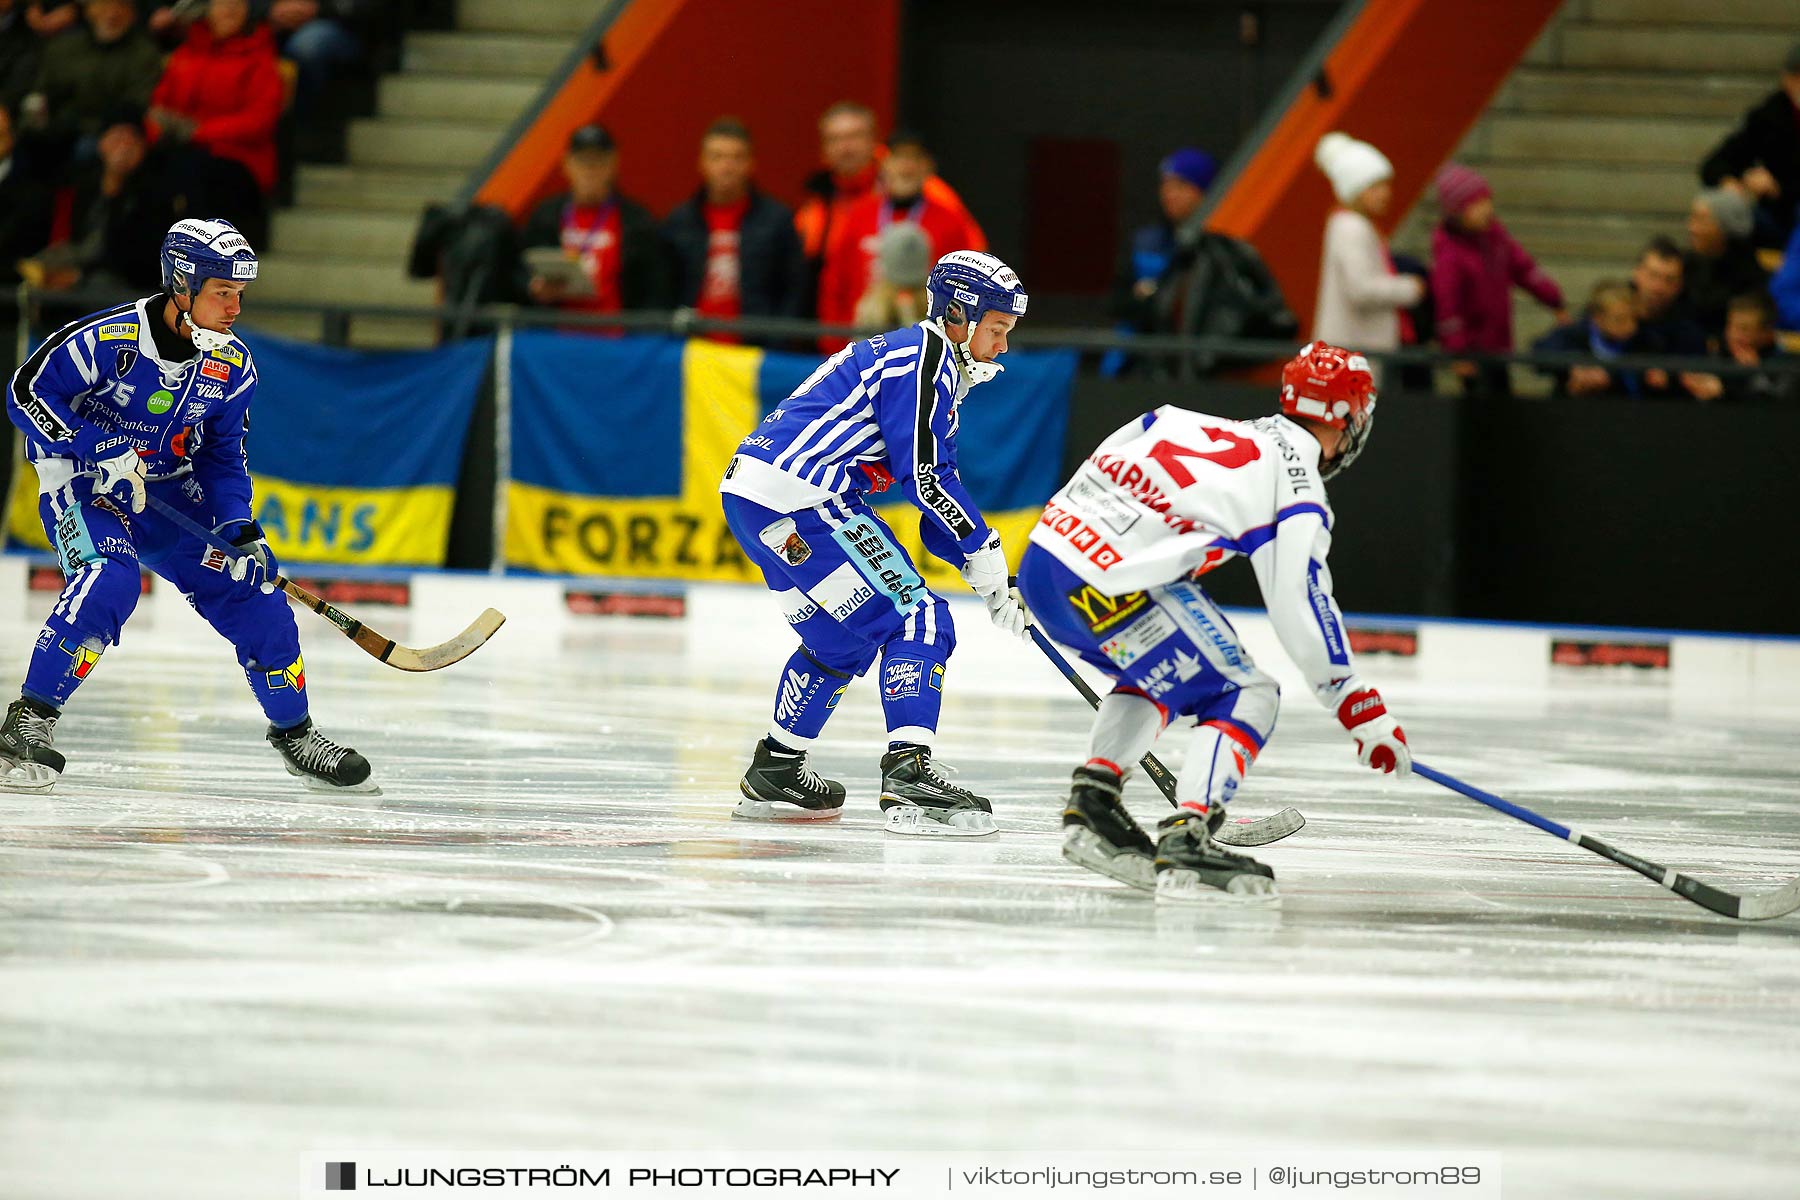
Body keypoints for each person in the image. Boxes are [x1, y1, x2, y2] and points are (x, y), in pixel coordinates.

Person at [1014, 342, 1409, 901]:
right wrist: (1352, 698)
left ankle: (1095, 802)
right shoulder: (1296, 483)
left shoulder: (1186, 420)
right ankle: (1189, 831)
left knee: (1159, 679)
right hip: (1116, 582)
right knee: (1246, 693)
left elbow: (1116, 446)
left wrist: (1067, 535)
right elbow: (1298, 596)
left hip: (1046, 560)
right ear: (1347, 418)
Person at [0, 218, 373, 795]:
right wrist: (94, 449)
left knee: (258, 595)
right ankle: (27, 722)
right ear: (182, 285)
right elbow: (26, 392)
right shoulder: (107, 339)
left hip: (174, 496)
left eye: (239, 294)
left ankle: (295, 735)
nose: (234, 308)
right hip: (86, 486)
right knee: (110, 580)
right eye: (222, 292)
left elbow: (224, 454)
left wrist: (239, 526)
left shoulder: (232, 364)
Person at [718, 250, 1031, 838]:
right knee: (918, 620)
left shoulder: (917, 358)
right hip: (804, 499)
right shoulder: (926, 361)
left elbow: (934, 489)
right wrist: (988, 554)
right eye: (997, 329)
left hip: (757, 498)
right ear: (960, 317)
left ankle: (777, 768)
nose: (1003, 346)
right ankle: (908, 775)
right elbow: (927, 478)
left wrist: (980, 567)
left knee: (838, 637)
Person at [1106, 146, 1295, 378]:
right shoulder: (1148, 242)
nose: (1169, 193)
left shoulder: (1228, 252)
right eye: (1166, 184)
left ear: (1205, 192)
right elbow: (1118, 302)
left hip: (1208, 379)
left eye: (1181, 185)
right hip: (1145, 370)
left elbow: (1267, 315)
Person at [793, 101, 980, 310]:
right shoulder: (817, 203)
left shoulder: (931, 192)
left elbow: (972, 263)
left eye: (854, 137)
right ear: (823, 148)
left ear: (875, 143)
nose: (845, 148)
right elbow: (828, 281)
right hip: (857, 331)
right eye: (835, 139)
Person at [814, 132, 986, 350]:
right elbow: (834, 285)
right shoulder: (859, 216)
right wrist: (834, 349)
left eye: (914, 158)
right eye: (898, 158)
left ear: (928, 167)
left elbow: (966, 292)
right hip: (859, 348)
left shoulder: (951, 222)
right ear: (883, 165)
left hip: (924, 351)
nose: (906, 168)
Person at [662, 117, 806, 344]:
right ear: (702, 163)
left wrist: (777, 341)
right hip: (693, 348)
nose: (726, 167)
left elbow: (794, 289)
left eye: (736, 158)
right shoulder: (680, 221)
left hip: (754, 350)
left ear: (751, 163)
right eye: (717, 157)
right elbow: (665, 289)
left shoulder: (777, 220)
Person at [1429, 163, 1564, 398]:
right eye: (1476, 205)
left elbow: (1524, 268)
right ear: (1458, 212)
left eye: (1486, 201)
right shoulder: (1450, 255)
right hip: (1474, 352)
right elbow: (1448, 307)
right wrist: (1457, 353)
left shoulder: (1495, 237)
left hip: (1499, 345)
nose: (1486, 209)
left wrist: (1554, 300)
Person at [518, 123, 670, 318]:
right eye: (582, 161)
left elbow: (655, 286)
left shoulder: (637, 221)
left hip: (615, 337)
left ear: (613, 164)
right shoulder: (546, 216)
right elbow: (519, 270)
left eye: (598, 161)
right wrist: (533, 287)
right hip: (557, 337)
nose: (590, 170)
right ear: (567, 164)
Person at [1311, 132, 1422, 374]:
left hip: (1352, 350)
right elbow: (1361, 289)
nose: (1386, 193)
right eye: (1375, 186)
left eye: (1385, 185)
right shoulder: (1352, 227)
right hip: (1353, 353)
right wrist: (1410, 288)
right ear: (1354, 189)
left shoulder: (1351, 224)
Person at [148, 0, 284, 195]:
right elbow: (159, 105)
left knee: (187, 170)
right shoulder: (186, 53)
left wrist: (198, 133)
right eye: (222, 3)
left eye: (238, 4)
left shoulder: (260, 59)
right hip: (180, 148)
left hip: (238, 157)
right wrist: (156, 131)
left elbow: (259, 121)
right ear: (207, 9)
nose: (230, 9)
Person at [18, 0, 162, 158]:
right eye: (104, 5)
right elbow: (41, 90)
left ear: (133, 15)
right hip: (57, 126)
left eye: (122, 7)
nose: (112, 14)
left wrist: (81, 126)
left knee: (85, 148)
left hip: (102, 132)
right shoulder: (63, 45)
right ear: (88, 11)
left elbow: (135, 105)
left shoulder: (144, 54)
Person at [1699, 42, 1800, 248]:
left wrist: (1778, 187)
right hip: (1777, 217)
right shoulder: (1772, 114)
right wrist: (1729, 182)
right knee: (1715, 212)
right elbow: (1716, 163)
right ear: (1787, 80)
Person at [1530, 281, 1661, 400]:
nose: (1630, 326)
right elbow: (1538, 355)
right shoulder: (1573, 334)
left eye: (1634, 318)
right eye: (1620, 319)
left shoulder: (1644, 340)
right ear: (1597, 318)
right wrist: (1574, 366)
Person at [1630, 236, 1722, 400]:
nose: (1659, 287)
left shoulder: (1690, 329)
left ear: (1680, 285)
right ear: (1637, 273)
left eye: (1669, 280)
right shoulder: (1609, 309)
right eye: (1653, 275)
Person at [1681, 187, 1768, 342]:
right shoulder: (1686, 264)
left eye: (1700, 220)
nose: (1691, 227)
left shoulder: (1748, 277)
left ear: (1725, 228)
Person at [1720, 291, 1797, 404]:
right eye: (1730, 325)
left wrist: (1755, 372)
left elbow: (1778, 407)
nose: (1733, 335)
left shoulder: (1788, 365)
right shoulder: (1717, 355)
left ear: (1767, 333)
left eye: (1744, 329)